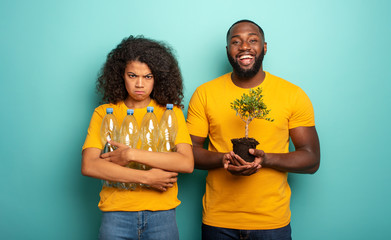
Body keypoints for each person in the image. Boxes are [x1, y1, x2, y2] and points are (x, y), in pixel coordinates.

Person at [186, 20, 320, 239]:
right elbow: (188, 152)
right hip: (218, 221)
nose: (244, 46)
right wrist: (224, 159)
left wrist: (265, 159)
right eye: (236, 41)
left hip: (272, 222)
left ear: (264, 47)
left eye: (253, 40)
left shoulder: (292, 95)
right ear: (228, 50)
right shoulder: (205, 94)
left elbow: (311, 159)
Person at [81, 36, 193, 240]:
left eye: (148, 77)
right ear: (120, 75)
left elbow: (186, 163)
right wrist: (147, 178)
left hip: (162, 215)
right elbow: (89, 165)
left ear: (158, 77)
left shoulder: (171, 113)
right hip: (116, 215)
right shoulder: (104, 113)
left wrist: (131, 154)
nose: (139, 84)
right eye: (132, 76)